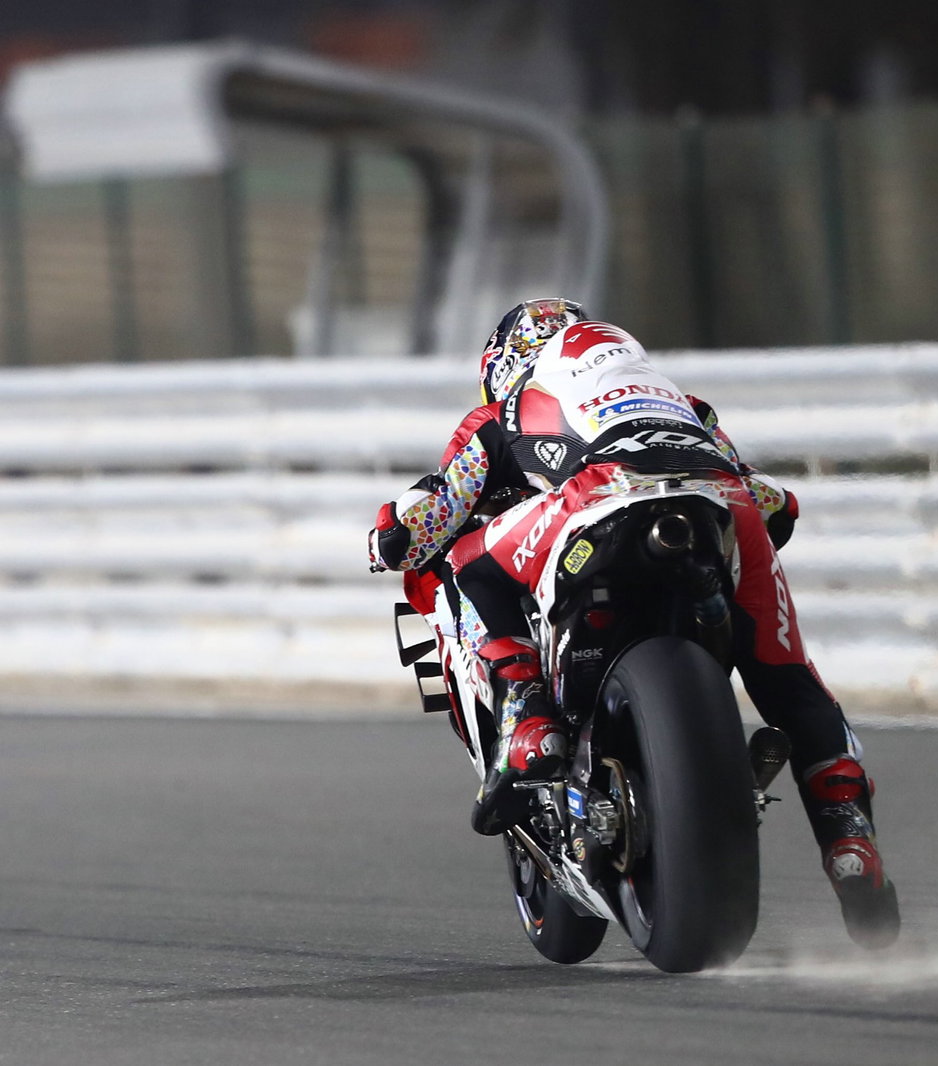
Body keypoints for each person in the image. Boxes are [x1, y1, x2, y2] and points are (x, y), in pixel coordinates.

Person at [367, 298, 898, 947]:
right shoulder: (682, 402)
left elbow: (434, 512)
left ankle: (527, 716)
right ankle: (850, 844)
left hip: (595, 511)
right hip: (721, 516)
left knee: (468, 568)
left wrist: (388, 534)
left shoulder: (501, 413)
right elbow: (775, 505)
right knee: (790, 682)